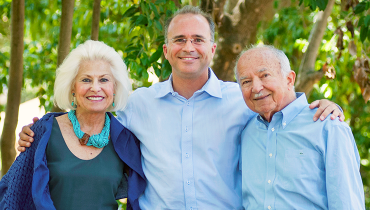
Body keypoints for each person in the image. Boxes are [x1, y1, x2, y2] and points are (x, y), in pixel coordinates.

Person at [18, 6, 343, 209]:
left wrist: (328, 107)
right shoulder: (137, 104)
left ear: (212, 49)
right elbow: (90, 115)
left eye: (198, 39)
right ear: (166, 49)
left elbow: (279, 109)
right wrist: (37, 133)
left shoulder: (241, 100)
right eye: (180, 39)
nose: (189, 47)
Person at [0, 40, 146, 210]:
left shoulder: (125, 140)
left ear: (114, 88)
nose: (95, 88)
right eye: (86, 79)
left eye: (104, 79)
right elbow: (13, 193)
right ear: (72, 88)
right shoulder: (43, 132)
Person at [235, 45, 365, 209]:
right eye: (246, 81)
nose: (256, 87)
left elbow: (347, 204)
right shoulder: (245, 132)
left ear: (289, 79)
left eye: (265, 75)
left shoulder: (328, 126)